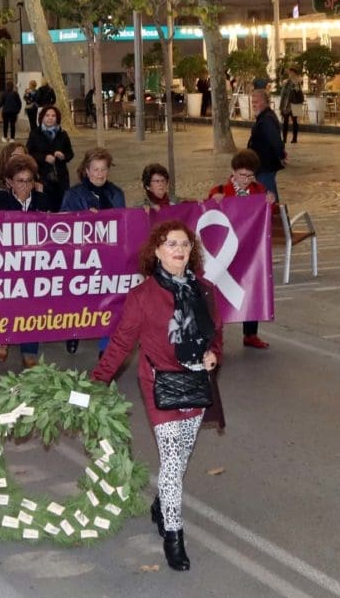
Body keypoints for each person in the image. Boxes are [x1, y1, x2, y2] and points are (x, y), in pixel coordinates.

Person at [91, 220, 222, 572]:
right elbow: (121, 343)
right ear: (157, 251)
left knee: (181, 457)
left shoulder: (205, 290)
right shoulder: (142, 296)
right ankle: (173, 536)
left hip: (195, 384)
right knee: (173, 460)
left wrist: (214, 354)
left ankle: (160, 503)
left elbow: (216, 332)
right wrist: (97, 381)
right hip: (159, 384)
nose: (179, 250)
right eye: (171, 244)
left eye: (185, 244)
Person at [0, 155, 52, 369]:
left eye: (29, 181)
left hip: (35, 262)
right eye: (20, 181)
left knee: (33, 303)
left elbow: (57, 226)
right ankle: (5, 337)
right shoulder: (0, 200)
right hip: (8, 261)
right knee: (9, 300)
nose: (25, 185)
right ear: (9, 182)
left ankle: (29, 349)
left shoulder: (42, 200)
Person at [207, 149, 274, 350]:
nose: (245, 180)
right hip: (224, 251)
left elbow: (265, 217)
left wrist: (270, 203)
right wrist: (213, 202)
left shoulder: (259, 190)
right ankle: (214, 335)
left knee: (252, 288)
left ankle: (250, 333)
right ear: (233, 172)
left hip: (250, 250)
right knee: (218, 293)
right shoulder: (219, 190)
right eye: (241, 175)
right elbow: (206, 216)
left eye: (250, 176)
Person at [60, 147, 124, 356]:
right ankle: (74, 331)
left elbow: (124, 223)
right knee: (79, 296)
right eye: (95, 169)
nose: (100, 174)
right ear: (86, 170)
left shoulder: (116, 193)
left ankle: (106, 345)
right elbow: (62, 225)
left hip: (109, 255)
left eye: (103, 169)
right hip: (81, 256)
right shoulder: (73, 194)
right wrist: (83, 217)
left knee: (110, 298)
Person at [27, 106, 74, 210]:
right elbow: (29, 153)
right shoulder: (35, 134)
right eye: (47, 115)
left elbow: (70, 154)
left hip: (60, 178)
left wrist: (63, 156)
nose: (50, 118)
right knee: (43, 206)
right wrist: (44, 157)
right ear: (42, 118)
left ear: (57, 118)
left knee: (61, 207)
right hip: (42, 176)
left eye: (53, 116)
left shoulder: (63, 134)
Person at [247, 89, 284, 201]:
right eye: (252, 102)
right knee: (268, 192)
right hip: (262, 165)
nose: (253, 105)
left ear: (264, 102)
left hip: (266, 165)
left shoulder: (267, 119)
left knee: (267, 194)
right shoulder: (264, 117)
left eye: (256, 102)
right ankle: (275, 210)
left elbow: (276, 140)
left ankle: (274, 211)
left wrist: (281, 155)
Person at [278, 68, 302, 144]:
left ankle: (294, 138)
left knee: (295, 121)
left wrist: (292, 80)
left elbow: (297, 89)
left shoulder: (297, 80)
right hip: (286, 104)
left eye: (291, 72)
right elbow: (281, 85)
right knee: (285, 121)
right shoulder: (287, 80)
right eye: (289, 72)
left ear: (294, 72)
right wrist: (281, 76)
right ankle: (284, 138)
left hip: (294, 103)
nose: (289, 73)